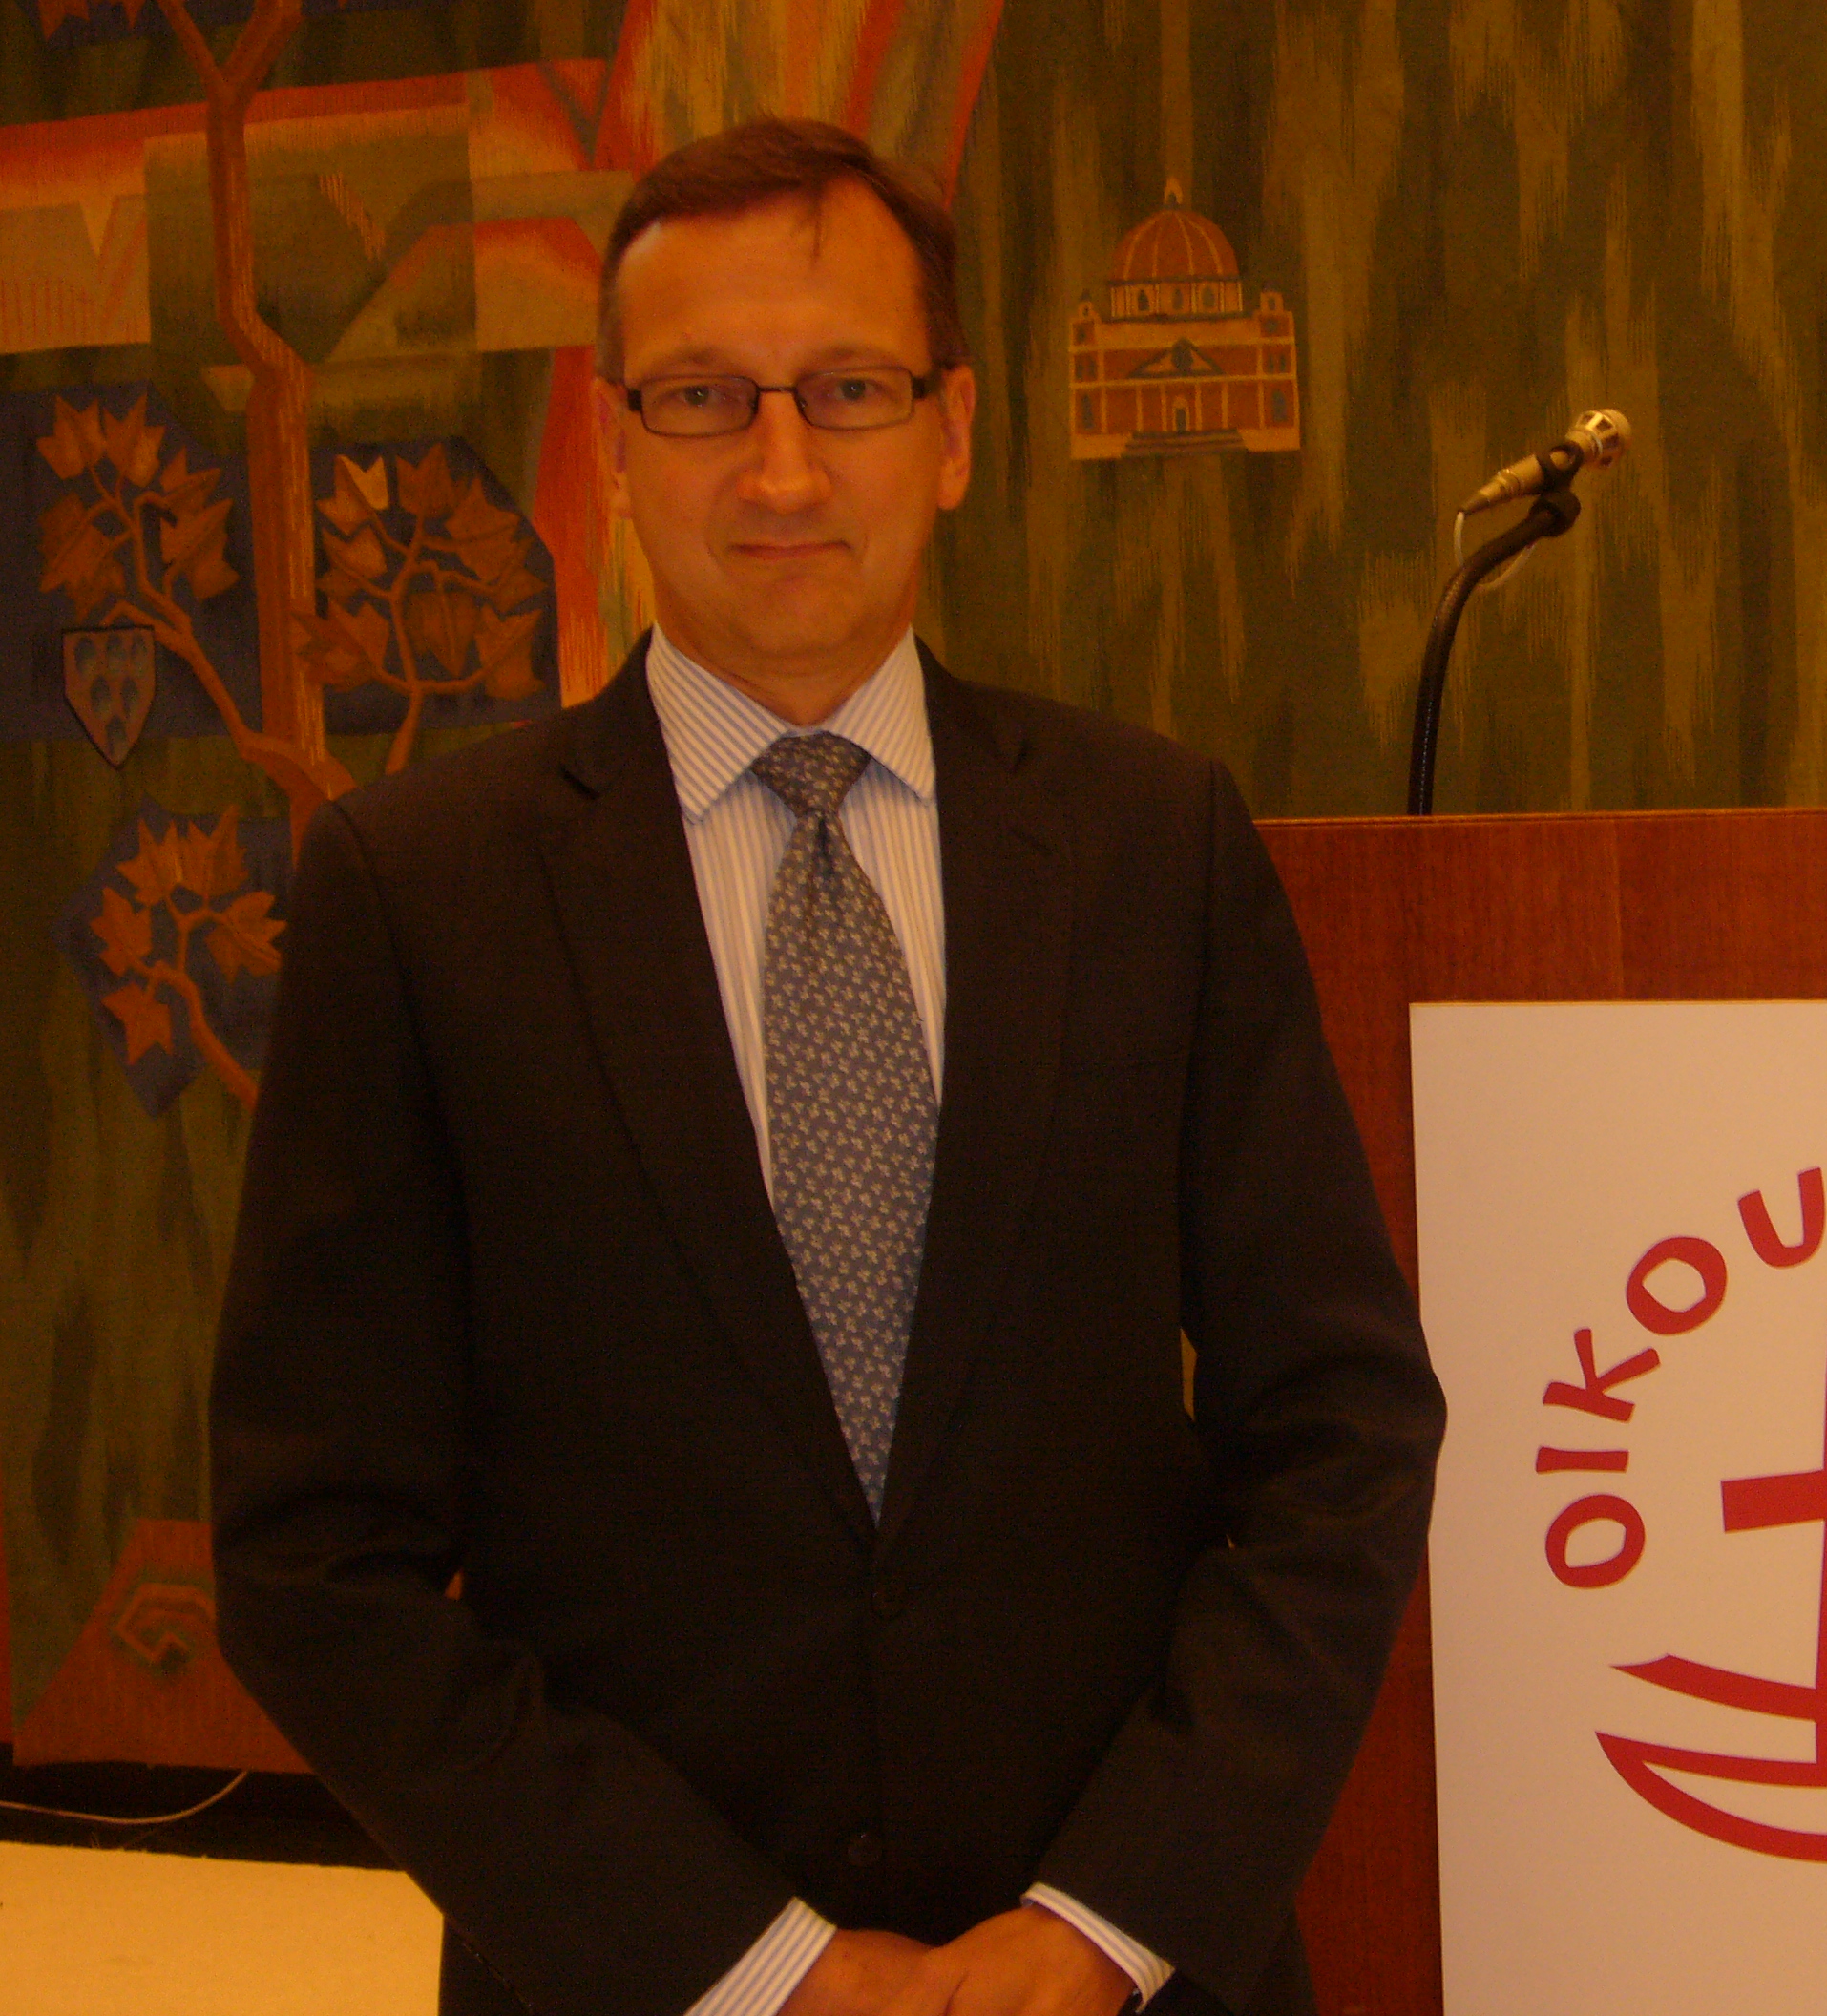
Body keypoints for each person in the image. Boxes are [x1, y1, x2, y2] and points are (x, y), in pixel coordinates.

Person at [211, 117, 1441, 2016]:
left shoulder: (1154, 844)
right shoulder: (417, 893)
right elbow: (316, 1558)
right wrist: (750, 1964)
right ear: (613, 439)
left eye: (849, 389)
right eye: (705, 396)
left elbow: (1338, 1428)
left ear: (950, 431)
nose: (781, 468)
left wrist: (1111, 1918)